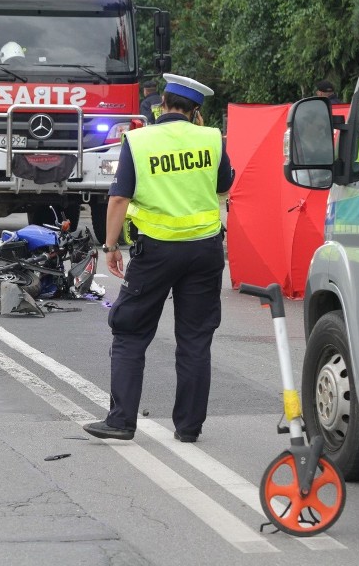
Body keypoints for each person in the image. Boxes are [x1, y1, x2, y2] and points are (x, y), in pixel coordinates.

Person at [83, 73, 234, 443]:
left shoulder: (139, 140)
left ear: (160, 106)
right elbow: (224, 185)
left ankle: (121, 421)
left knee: (130, 331)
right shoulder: (211, 138)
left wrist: (111, 246)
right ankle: (188, 428)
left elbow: (119, 198)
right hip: (204, 250)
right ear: (196, 113)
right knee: (196, 339)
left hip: (157, 253)